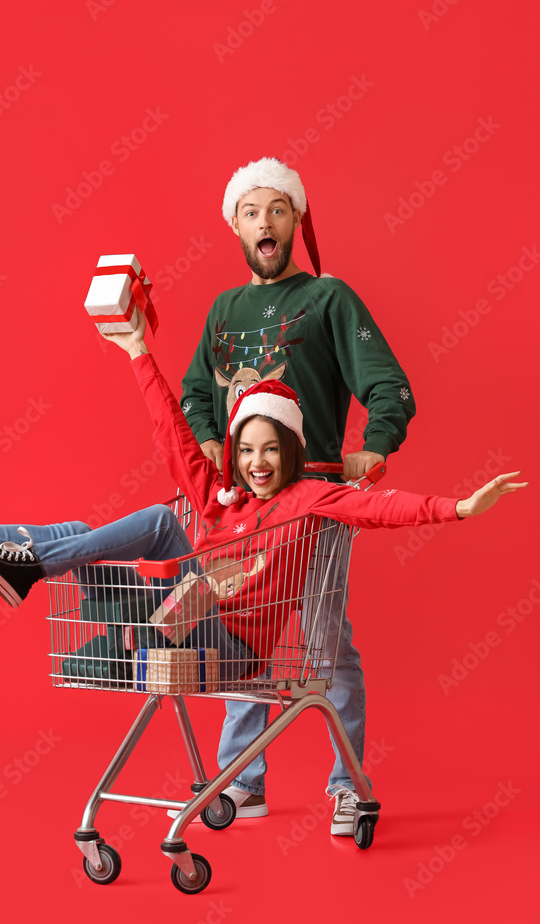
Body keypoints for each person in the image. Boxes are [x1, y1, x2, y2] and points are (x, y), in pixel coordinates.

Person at [0, 317, 524, 771]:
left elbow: (379, 509)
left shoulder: (307, 500)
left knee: (164, 543)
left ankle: (20, 564)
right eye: (246, 449)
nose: (257, 462)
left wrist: (459, 507)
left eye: (271, 448)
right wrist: (138, 350)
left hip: (232, 648)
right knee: (96, 535)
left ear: (291, 450)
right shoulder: (226, 499)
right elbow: (173, 435)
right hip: (181, 623)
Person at [180, 156, 417, 830]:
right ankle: (241, 781)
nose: (265, 222)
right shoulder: (223, 309)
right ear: (235, 225)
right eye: (252, 212)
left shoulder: (329, 298)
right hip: (240, 504)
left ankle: (348, 783)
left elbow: (387, 381)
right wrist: (202, 436)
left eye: (277, 210)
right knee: (241, 633)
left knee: (323, 642)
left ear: (295, 221)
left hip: (312, 493)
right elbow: (197, 390)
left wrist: (376, 441)